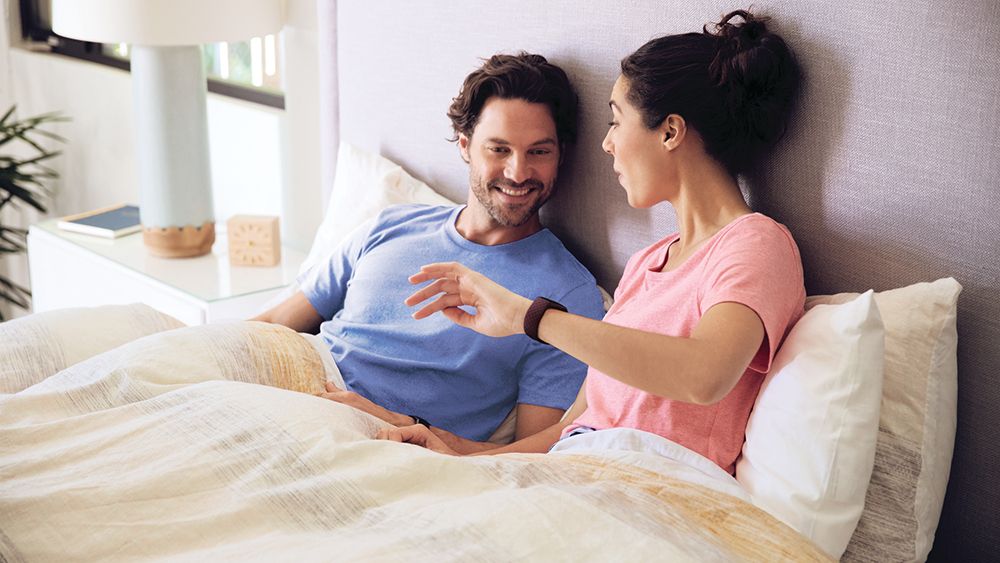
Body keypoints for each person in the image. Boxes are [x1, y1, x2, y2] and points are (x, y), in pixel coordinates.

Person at [383, 10, 805, 475]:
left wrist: (527, 317)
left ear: (669, 131)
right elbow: (572, 428)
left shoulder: (755, 244)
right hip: (575, 468)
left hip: (652, 484)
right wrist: (455, 454)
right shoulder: (647, 263)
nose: (606, 144)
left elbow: (705, 376)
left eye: (616, 120)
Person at [254, 52, 606, 453]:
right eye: (499, 149)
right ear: (465, 146)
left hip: (379, 441)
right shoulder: (392, 225)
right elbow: (273, 322)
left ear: (561, 155)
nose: (518, 172)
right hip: (287, 382)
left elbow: (526, 456)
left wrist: (411, 427)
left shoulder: (567, 297)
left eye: (539, 152)